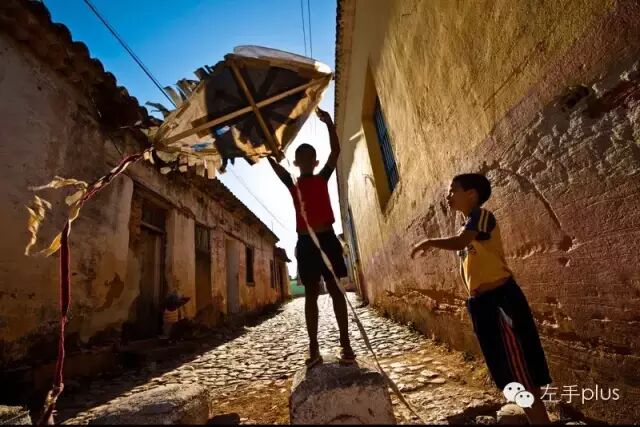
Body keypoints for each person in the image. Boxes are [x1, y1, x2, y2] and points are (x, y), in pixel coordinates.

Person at [410, 173, 552, 424]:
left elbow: (461, 242)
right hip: (482, 304)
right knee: (508, 371)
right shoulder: (466, 226)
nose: (448, 196)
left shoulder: (481, 216)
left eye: (453, 190)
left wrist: (430, 241)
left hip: (500, 301)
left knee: (522, 372)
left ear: (472, 194)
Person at [267, 107, 355, 368]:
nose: (306, 162)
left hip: (328, 239)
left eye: (310, 158)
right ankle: (313, 347)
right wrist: (267, 147)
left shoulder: (322, 177)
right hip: (306, 243)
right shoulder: (293, 184)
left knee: (336, 291)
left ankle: (346, 343)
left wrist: (329, 124)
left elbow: (335, 152)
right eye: (301, 159)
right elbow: (275, 166)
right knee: (311, 295)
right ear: (296, 164)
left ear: (315, 162)